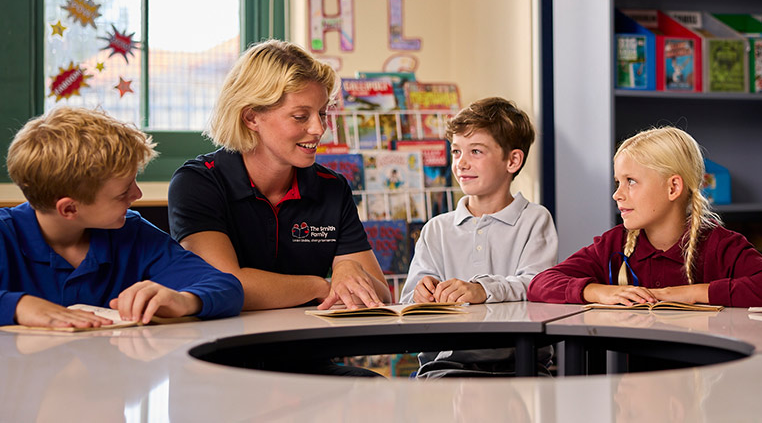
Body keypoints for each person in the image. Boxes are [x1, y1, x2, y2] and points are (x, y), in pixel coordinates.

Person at [167, 39, 391, 313]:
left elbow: (380, 294)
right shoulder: (197, 183)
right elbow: (224, 285)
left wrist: (348, 267)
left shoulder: (332, 187)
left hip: (311, 351)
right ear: (251, 118)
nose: (319, 128)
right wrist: (322, 286)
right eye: (300, 116)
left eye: (322, 113)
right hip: (226, 351)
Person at [0, 107, 243, 328]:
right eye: (122, 193)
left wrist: (185, 300)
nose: (137, 194)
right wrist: (19, 306)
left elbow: (226, 287)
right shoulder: (5, 234)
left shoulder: (132, 231)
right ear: (69, 209)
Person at [528, 126, 762, 307]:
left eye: (631, 181)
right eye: (617, 182)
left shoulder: (720, 245)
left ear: (673, 187)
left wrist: (684, 294)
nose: (617, 195)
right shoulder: (612, 246)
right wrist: (599, 291)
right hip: (631, 386)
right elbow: (541, 284)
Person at [399, 97, 558, 377]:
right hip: (445, 365)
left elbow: (537, 285)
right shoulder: (436, 229)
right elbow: (409, 300)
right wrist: (420, 294)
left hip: (520, 363)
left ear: (513, 160)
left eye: (475, 151)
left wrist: (483, 291)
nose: (461, 163)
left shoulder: (535, 219)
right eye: (456, 152)